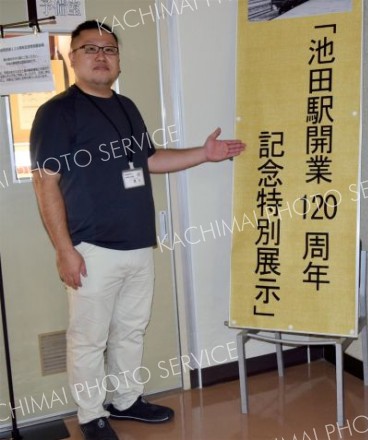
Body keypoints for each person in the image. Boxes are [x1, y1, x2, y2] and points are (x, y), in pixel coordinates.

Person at [30, 20, 245, 440]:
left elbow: (148, 160)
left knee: (131, 329)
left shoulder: (126, 107)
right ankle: (92, 415)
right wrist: (64, 250)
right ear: (72, 58)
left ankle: (126, 400)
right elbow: (46, 181)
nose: (100, 55)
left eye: (109, 48)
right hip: (90, 247)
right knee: (89, 338)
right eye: (89, 48)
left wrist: (203, 154)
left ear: (118, 60)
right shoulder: (56, 112)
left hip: (138, 244)